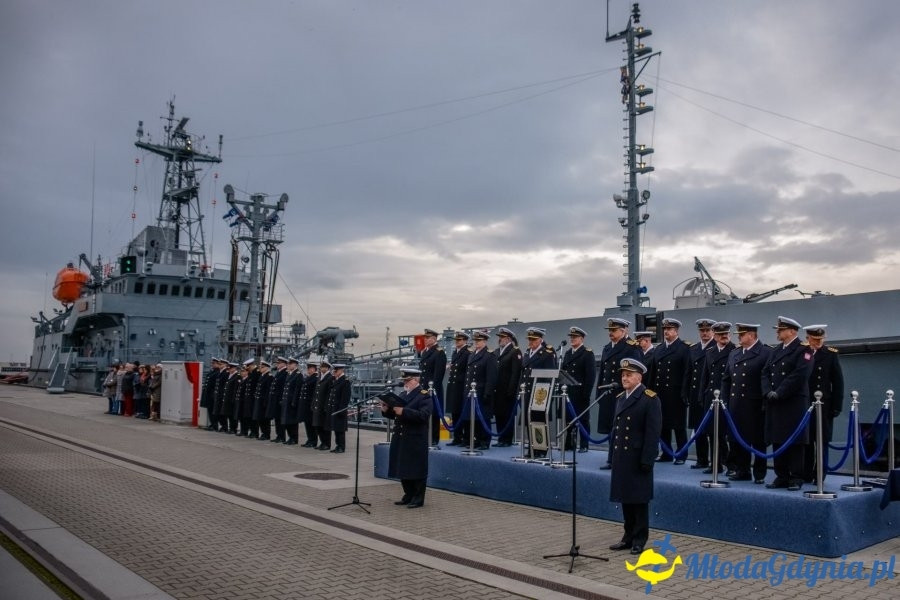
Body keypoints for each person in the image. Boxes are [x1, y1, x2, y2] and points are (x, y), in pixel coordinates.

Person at [607, 358, 662, 556]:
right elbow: (616, 431)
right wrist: (612, 456)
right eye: (623, 375)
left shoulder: (649, 399)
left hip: (638, 458)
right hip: (622, 457)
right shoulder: (621, 398)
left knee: (639, 501)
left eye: (629, 375)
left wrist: (648, 459)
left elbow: (652, 433)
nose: (624, 378)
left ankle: (640, 539)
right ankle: (627, 536)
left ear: (639, 377)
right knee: (625, 499)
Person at [762, 316, 814, 491]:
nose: (777, 332)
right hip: (775, 401)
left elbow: (800, 375)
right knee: (778, 438)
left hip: (793, 402)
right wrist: (767, 391)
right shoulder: (775, 351)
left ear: (792, 331)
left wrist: (780, 392)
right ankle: (781, 475)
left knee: (795, 440)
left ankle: (796, 476)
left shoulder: (804, 350)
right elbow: (765, 372)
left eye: (781, 329)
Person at [720, 323, 771, 483]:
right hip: (736, 404)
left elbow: (768, 379)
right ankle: (743, 470)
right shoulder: (734, 353)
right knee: (737, 439)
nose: (739, 337)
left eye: (742, 335)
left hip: (755, 405)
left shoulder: (766, 353)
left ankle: (759, 473)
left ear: (751, 335)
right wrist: (725, 400)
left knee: (757, 441)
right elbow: (726, 379)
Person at [382, 366, 432, 508]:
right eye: (404, 380)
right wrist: (387, 411)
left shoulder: (424, 395)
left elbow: (423, 416)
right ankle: (408, 494)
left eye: (407, 380)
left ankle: (418, 497)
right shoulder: (403, 395)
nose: (405, 383)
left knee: (416, 468)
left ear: (416, 380)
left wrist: (404, 411)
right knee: (403, 467)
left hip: (415, 437)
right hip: (401, 436)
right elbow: (396, 413)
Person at [802, 324, 844, 484]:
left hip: (824, 405)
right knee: (807, 441)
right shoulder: (803, 352)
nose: (818, 342)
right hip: (806, 405)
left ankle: (820, 473)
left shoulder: (830, 355)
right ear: (808, 338)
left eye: (821, 339)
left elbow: (838, 382)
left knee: (822, 441)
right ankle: (806, 473)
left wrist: (836, 406)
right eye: (815, 339)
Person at [649, 318, 691, 464]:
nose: (666, 331)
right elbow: (653, 373)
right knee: (663, 426)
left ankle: (681, 454)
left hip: (676, 394)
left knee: (678, 426)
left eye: (670, 329)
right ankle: (666, 453)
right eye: (665, 329)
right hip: (660, 393)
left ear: (676, 331)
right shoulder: (659, 349)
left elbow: (687, 372)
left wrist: (685, 393)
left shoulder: (684, 348)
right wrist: (650, 392)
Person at [697, 322, 734, 474]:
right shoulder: (711, 351)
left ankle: (730, 464)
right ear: (715, 336)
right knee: (712, 433)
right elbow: (705, 376)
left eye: (726, 334)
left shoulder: (734, 351)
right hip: (711, 397)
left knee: (728, 433)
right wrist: (702, 394)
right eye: (720, 335)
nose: (724, 337)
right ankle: (716, 464)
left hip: (727, 398)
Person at [596, 318, 641, 440]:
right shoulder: (606, 348)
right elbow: (602, 372)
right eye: (609, 330)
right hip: (607, 393)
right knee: (610, 427)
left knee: (622, 428)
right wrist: (598, 391)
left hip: (622, 393)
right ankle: (612, 456)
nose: (610, 333)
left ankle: (620, 457)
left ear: (624, 331)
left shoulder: (632, 347)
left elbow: (637, 374)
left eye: (614, 330)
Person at [561, 326, 596, 452]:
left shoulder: (587, 353)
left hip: (581, 393)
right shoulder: (567, 353)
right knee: (568, 418)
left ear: (581, 339)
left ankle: (584, 444)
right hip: (568, 392)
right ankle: (569, 443)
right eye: (571, 337)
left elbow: (590, 376)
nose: (572, 339)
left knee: (583, 419)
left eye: (575, 337)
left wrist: (586, 393)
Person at [687, 319, 716, 469]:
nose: (704, 333)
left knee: (712, 429)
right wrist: (685, 392)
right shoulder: (693, 349)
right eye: (702, 331)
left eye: (707, 330)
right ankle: (701, 459)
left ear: (713, 332)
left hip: (710, 394)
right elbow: (688, 373)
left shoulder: (716, 347)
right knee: (698, 428)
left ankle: (717, 461)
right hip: (695, 394)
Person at [464, 330, 498, 450]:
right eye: (475, 340)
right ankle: (476, 439)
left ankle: (484, 441)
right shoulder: (472, 355)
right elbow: (468, 375)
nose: (476, 343)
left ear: (484, 341)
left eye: (479, 341)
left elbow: (491, 376)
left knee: (483, 417)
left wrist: (487, 393)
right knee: (474, 418)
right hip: (471, 392)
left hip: (482, 391)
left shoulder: (489, 355)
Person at [493, 327, 522, 447]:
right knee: (499, 414)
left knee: (507, 415)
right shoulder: (496, 352)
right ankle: (501, 438)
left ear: (509, 339)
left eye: (502, 337)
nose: (500, 339)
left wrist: (511, 391)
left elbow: (515, 374)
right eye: (499, 337)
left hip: (508, 391)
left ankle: (507, 439)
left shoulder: (515, 351)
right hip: (497, 390)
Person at [419, 328, 447, 446]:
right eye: (425, 338)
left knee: (434, 413)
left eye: (427, 338)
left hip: (433, 389)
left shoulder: (439, 352)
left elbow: (438, 374)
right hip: (424, 387)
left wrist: (432, 389)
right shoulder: (425, 352)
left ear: (434, 339)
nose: (425, 340)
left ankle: (434, 438)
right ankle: (425, 436)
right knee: (425, 412)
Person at [445, 332, 471, 447]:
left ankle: (466, 439)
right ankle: (457, 437)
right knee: (455, 413)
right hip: (454, 387)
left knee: (463, 414)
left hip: (461, 387)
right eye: (456, 340)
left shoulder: (467, 353)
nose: (457, 342)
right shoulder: (456, 352)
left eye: (459, 340)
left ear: (465, 341)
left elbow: (467, 372)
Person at [328, 363, 351, 453]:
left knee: (340, 429)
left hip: (340, 409)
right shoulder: (336, 380)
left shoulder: (345, 381)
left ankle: (341, 446)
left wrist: (341, 409)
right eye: (334, 371)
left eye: (336, 371)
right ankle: (338, 445)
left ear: (341, 370)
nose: (334, 372)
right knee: (336, 428)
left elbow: (345, 397)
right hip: (335, 408)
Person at [312, 359, 334, 450]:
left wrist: (326, 406)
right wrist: (313, 404)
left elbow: (329, 393)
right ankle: (322, 442)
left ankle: (326, 444)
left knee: (325, 426)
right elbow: (316, 392)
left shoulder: (329, 378)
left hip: (324, 406)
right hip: (318, 405)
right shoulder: (320, 377)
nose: (321, 369)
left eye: (323, 367)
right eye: (321, 367)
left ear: (327, 368)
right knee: (318, 425)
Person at [281, 357, 302, 445]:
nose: (288, 366)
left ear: (295, 365)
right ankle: (290, 437)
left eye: (290, 364)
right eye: (288, 364)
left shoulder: (298, 375)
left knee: (292, 421)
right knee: (286, 421)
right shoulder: (289, 374)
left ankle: (294, 438)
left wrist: (294, 401)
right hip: (286, 401)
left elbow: (297, 389)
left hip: (292, 402)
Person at [267, 357, 289, 443]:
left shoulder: (285, 373)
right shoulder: (279, 372)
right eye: (277, 363)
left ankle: (281, 436)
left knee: (280, 419)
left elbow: (283, 388)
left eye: (279, 363)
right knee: (277, 418)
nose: (277, 364)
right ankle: (278, 435)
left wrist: (281, 400)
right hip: (275, 399)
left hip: (279, 399)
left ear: (284, 364)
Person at [299, 361, 320, 447]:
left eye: (310, 368)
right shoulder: (309, 377)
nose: (308, 370)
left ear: (314, 369)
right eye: (308, 368)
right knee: (307, 423)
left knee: (311, 424)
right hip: (306, 405)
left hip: (310, 404)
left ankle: (313, 441)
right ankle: (309, 439)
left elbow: (315, 393)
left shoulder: (315, 378)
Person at [253, 360, 273, 440]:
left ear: (267, 368)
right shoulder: (262, 376)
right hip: (259, 400)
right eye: (260, 367)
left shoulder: (269, 377)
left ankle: (266, 434)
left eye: (262, 367)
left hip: (264, 401)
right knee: (260, 418)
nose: (260, 368)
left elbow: (268, 390)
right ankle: (263, 433)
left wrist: (266, 401)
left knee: (265, 419)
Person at [201, 358, 221, 430]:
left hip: (212, 395)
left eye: (214, 363)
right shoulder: (212, 372)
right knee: (210, 410)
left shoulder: (217, 373)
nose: (212, 364)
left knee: (213, 410)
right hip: (209, 395)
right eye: (212, 363)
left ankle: (215, 425)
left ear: (218, 364)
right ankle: (212, 424)